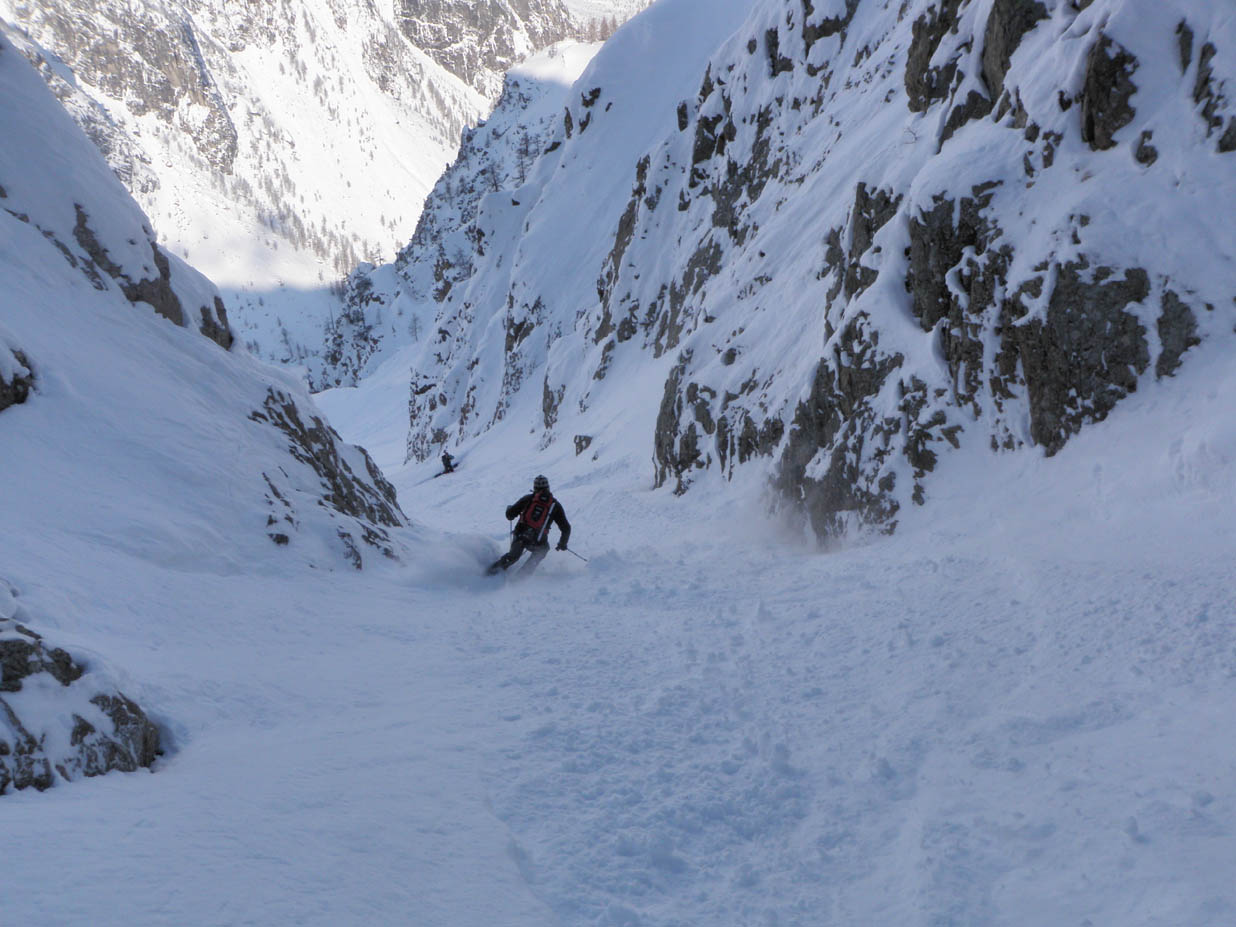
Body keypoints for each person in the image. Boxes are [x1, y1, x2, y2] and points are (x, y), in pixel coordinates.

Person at [486, 474, 571, 576]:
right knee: (543, 550)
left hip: (521, 534)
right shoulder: (555, 506)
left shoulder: (528, 499)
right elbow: (566, 528)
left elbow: (510, 515)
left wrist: (509, 510)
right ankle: (521, 579)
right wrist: (562, 544)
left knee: (513, 556)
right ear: (548, 487)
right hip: (538, 540)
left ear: (534, 488)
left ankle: (489, 574)